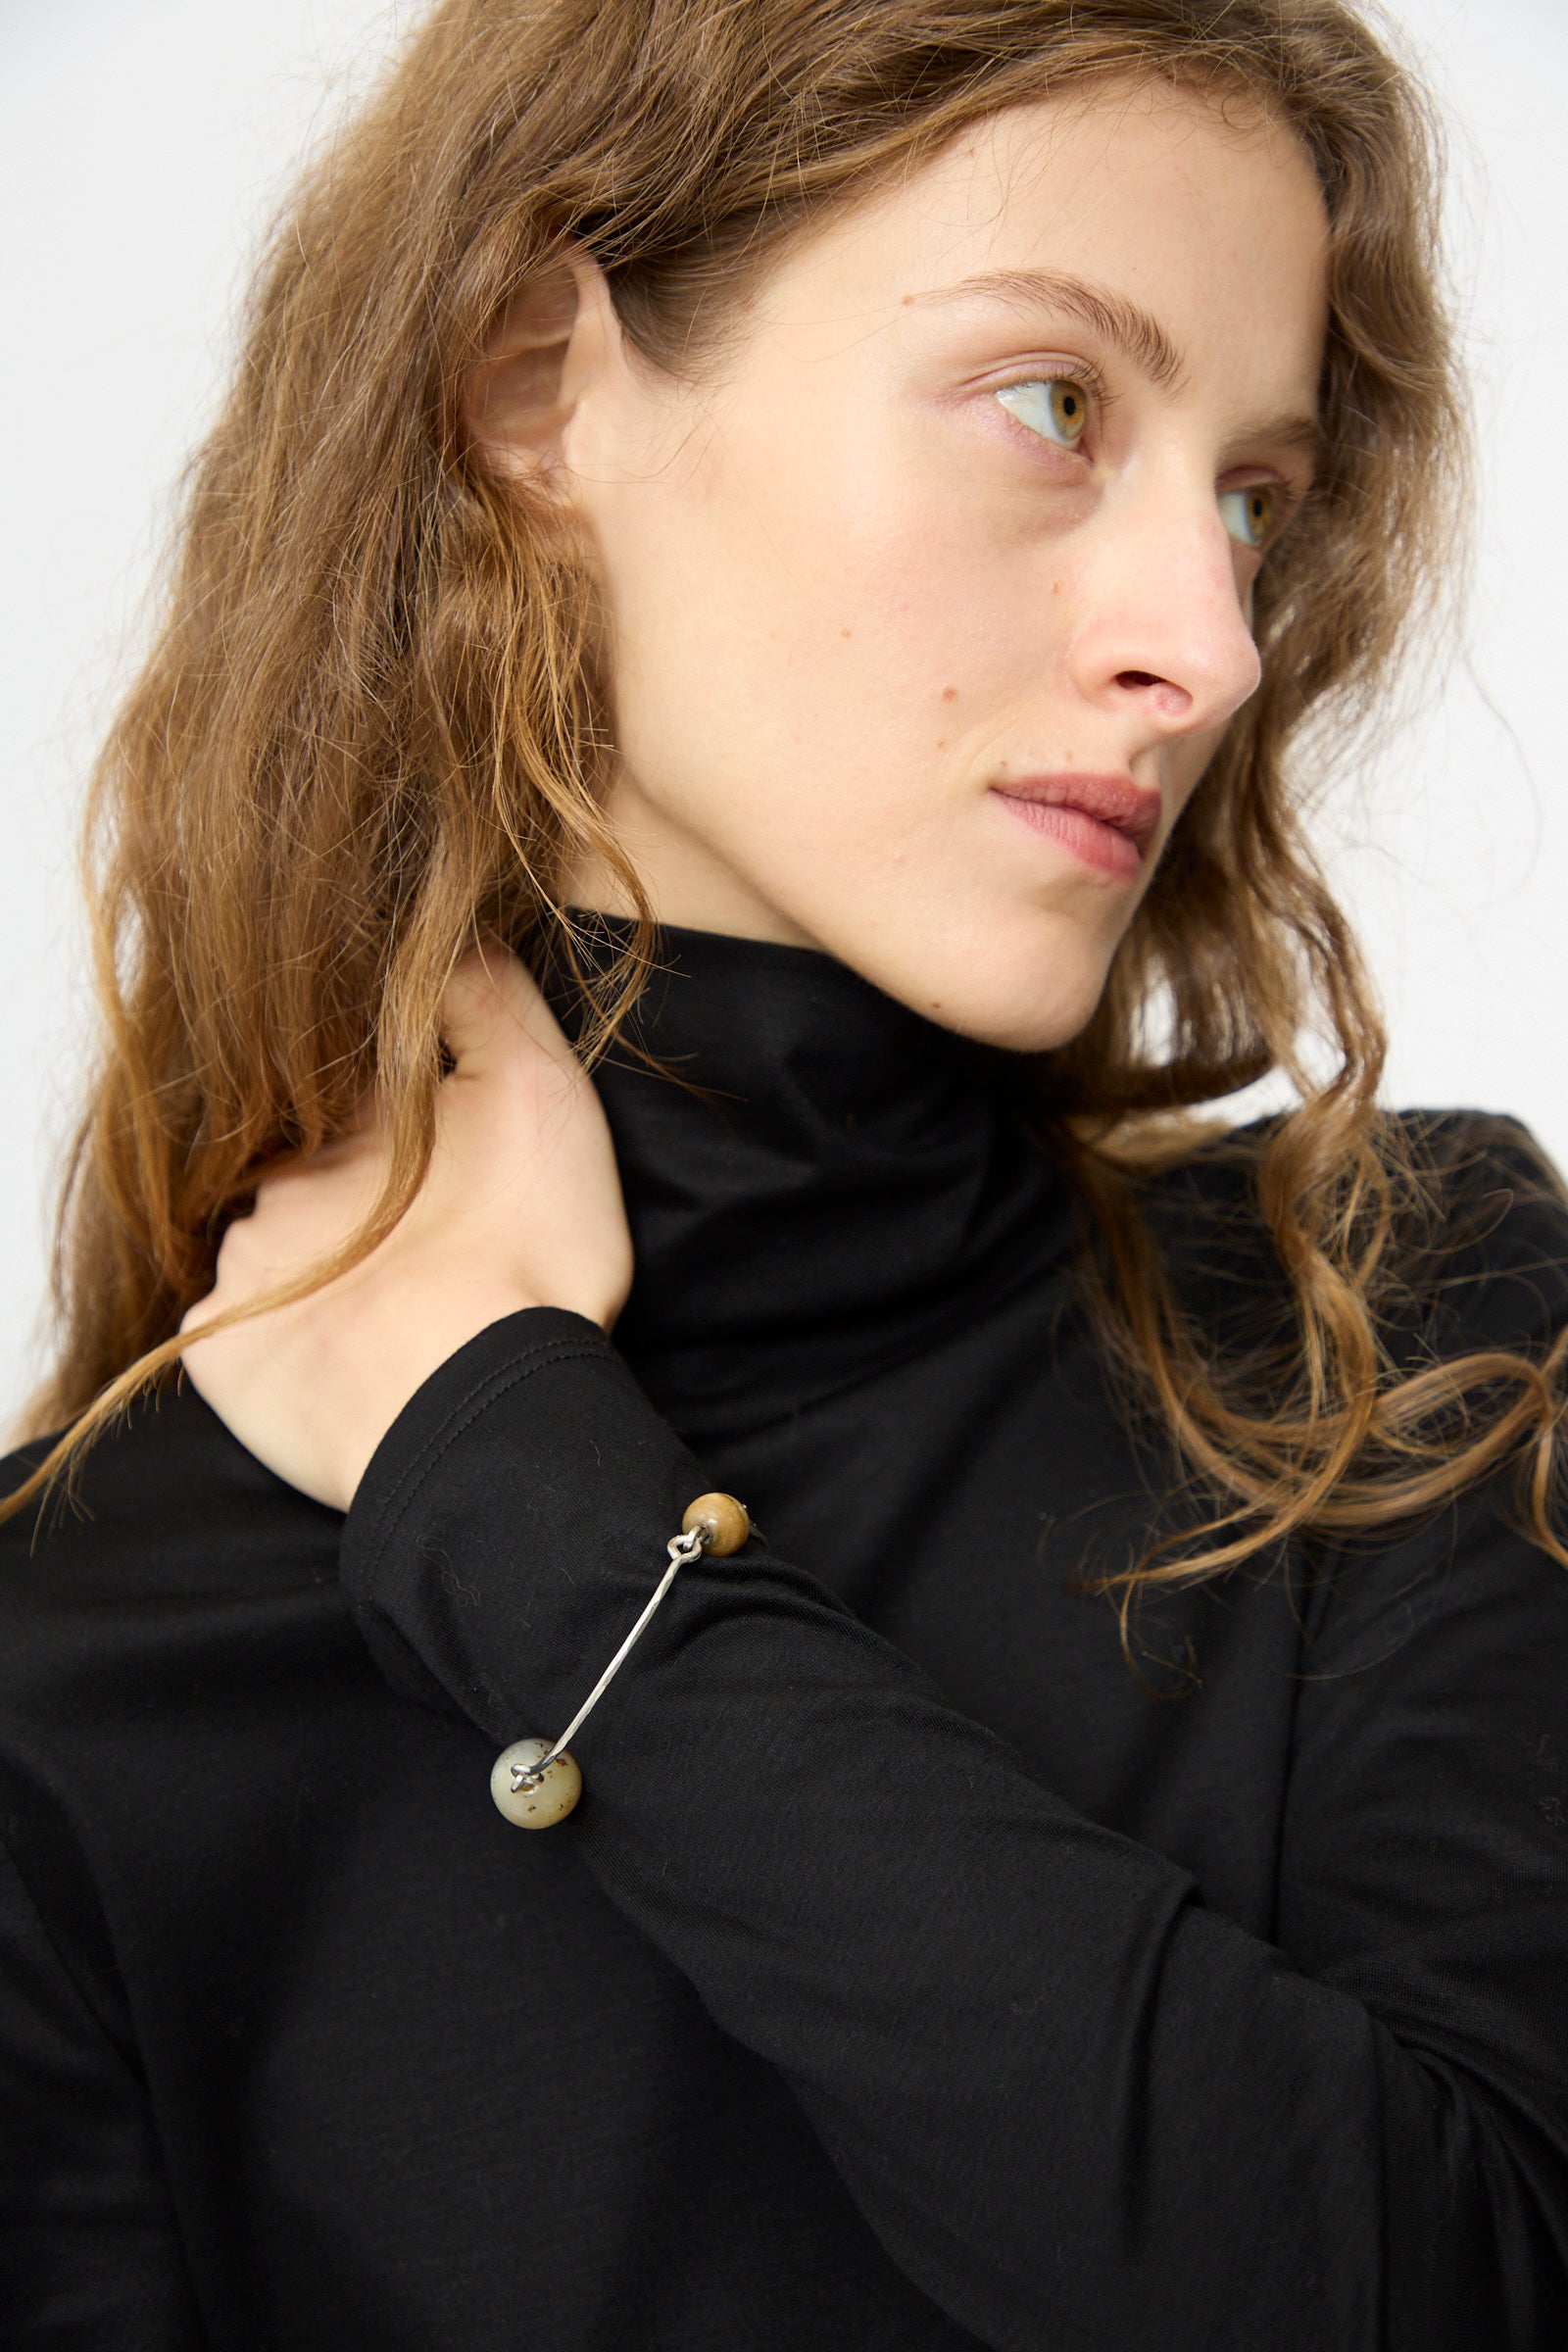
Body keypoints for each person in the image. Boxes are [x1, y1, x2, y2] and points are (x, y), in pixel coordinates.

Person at [3, 0, 1566, 2343]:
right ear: (539, 383)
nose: (1212, 640)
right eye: (1054, 406)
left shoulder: (1402, 1334)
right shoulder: (77, 1667)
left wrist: (534, 1522)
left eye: (1252, 495)